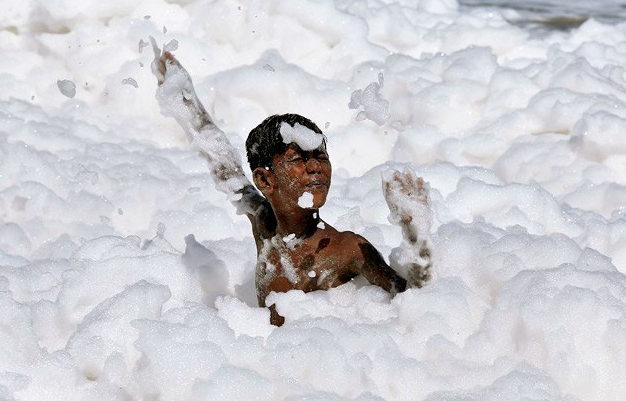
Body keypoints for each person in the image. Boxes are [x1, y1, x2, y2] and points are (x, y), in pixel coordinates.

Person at [149, 38, 431, 325]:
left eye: (321, 157)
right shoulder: (264, 225)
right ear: (264, 179)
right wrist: (183, 96)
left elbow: (413, 303)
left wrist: (415, 233)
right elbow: (223, 164)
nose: (315, 167)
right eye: (298, 159)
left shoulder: (347, 250)